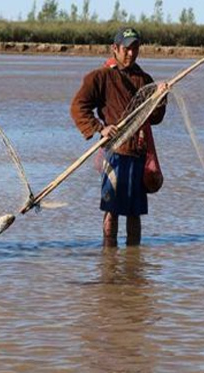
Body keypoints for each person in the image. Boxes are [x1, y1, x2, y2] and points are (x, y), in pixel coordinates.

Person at [70, 27, 167, 247]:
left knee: (135, 213)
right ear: (115, 48)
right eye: (127, 49)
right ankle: (109, 255)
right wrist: (99, 128)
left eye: (136, 48)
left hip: (138, 153)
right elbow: (78, 107)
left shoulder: (145, 80)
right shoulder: (101, 77)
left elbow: (156, 118)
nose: (131, 54)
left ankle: (134, 258)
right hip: (114, 153)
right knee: (111, 210)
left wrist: (161, 96)